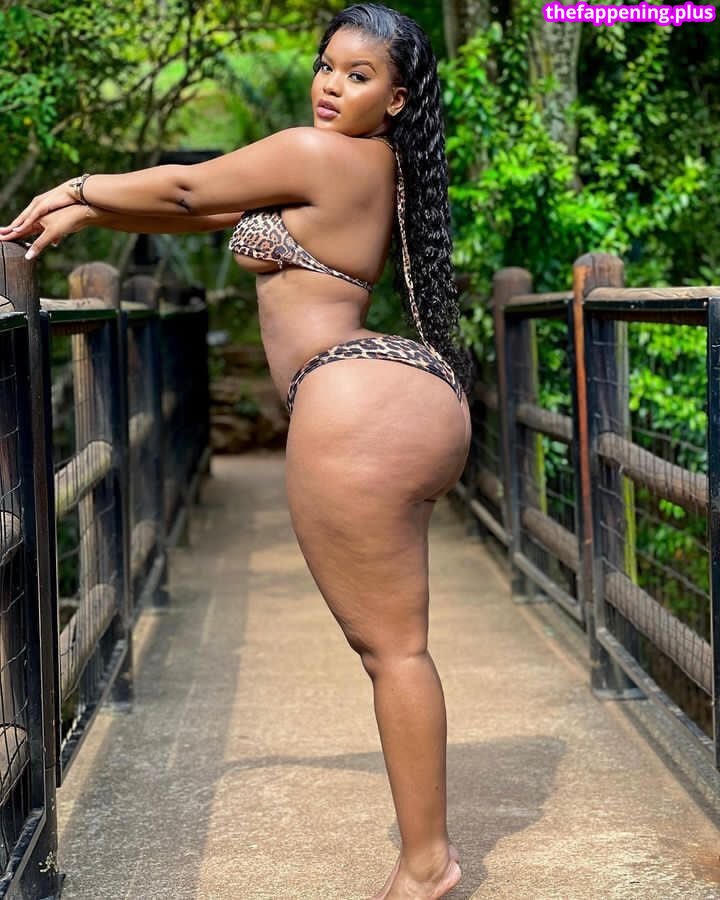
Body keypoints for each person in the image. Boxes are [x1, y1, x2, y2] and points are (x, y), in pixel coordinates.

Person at [1, 4, 472, 897]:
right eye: (326, 65)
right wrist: (90, 212)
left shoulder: (318, 152)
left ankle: (427, 867)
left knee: (393, 652)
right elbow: (212, 209)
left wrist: (78, 184)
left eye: (359, 75)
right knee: (399, 649)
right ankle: (428, 860)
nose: (331, 85)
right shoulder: (369, 163)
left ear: (397, 99)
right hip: (405, 394)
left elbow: (189, 188)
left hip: (355, 400)